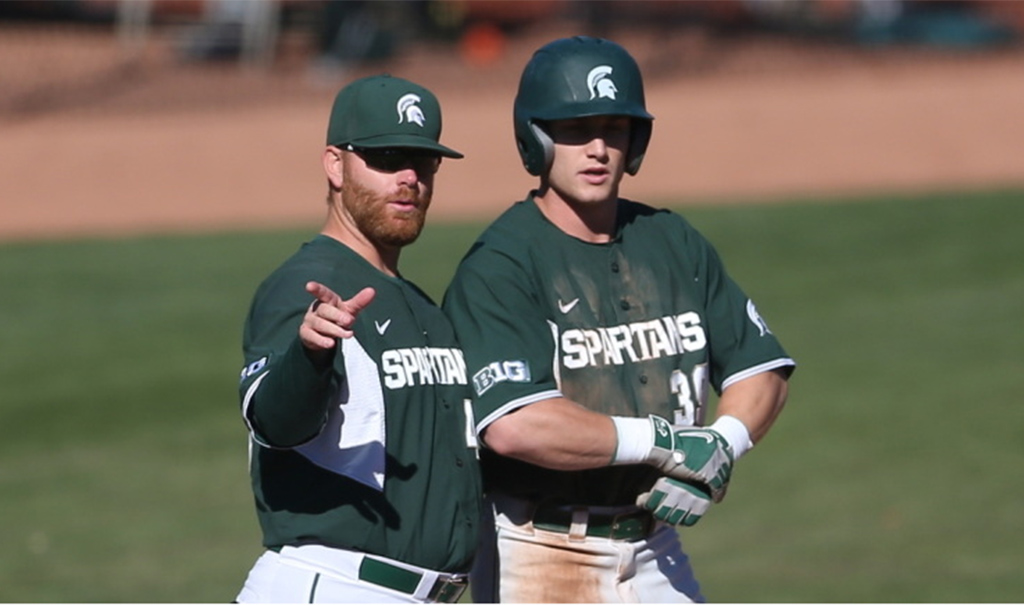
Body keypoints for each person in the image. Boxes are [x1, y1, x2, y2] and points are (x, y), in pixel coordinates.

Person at [442, 36, 796, 603]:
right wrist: (666, 444)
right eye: (576, 130)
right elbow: (516, 424)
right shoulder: (503, 264)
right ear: (535, 139)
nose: (598, 148)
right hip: (540, 553)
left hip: (657, 548)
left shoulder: (672, 241)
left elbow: (763, 369)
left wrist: (723, 444)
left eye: (615, 128)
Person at [234, 74, 481, 603]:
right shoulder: (300, 287)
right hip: (338, 586)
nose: (409, 177)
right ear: (334, 164)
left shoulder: (423, 308)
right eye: (387, 157)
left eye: (424, 160)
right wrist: (310, 355)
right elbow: (273, 422)